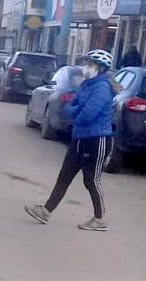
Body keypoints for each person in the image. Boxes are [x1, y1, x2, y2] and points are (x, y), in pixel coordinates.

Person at [25, 49, 117, 231]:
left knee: (91, 180)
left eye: (90, 64)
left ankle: (99, 219)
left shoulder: (102, 88)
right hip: (80, 138)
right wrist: (77, 111)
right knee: (64, 175)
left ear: (100, 68)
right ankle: (46, 211)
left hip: (97, 140)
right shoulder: (86, 84)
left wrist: (76, 112)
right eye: (87, 63)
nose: (86, 67)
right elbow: (70, 107)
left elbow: (87, 115)